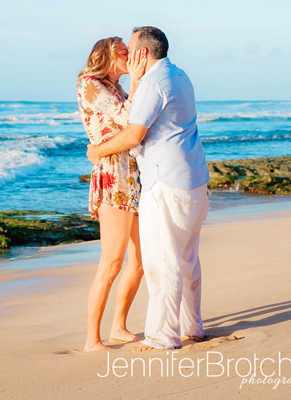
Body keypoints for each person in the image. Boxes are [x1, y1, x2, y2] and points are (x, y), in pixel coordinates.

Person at [87, 26, 209, 350]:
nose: (128, 55)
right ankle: (192, 326)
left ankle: (163, 335)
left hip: (167, 183)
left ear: (142, 53)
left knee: (162, 261)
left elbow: (132, 134)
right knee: (187, 259)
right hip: (194, 179)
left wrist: (96, 152)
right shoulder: (180, 75)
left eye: (130, 49)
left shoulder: (153, 83)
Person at [76, 37, 145, 351]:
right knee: (112, 261)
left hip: (133, 175)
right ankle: (92, 339)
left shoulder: (117, 87)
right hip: (113, 177)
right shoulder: (90, 85)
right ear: (104, 55)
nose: (129, 57)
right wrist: (140, 76)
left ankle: (119, 326)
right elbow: (129, 118)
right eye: (123, 52)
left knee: (141, 260)